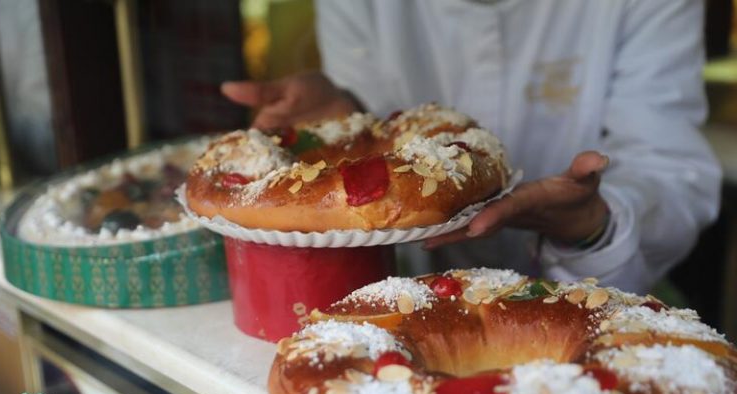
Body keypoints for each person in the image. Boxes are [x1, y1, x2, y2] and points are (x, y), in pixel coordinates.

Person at [221, 0, 721, 295]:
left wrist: (598, 222)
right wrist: (351, 115)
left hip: (605, 287)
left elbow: (668, 163)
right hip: (405, 288)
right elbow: (382, 127)